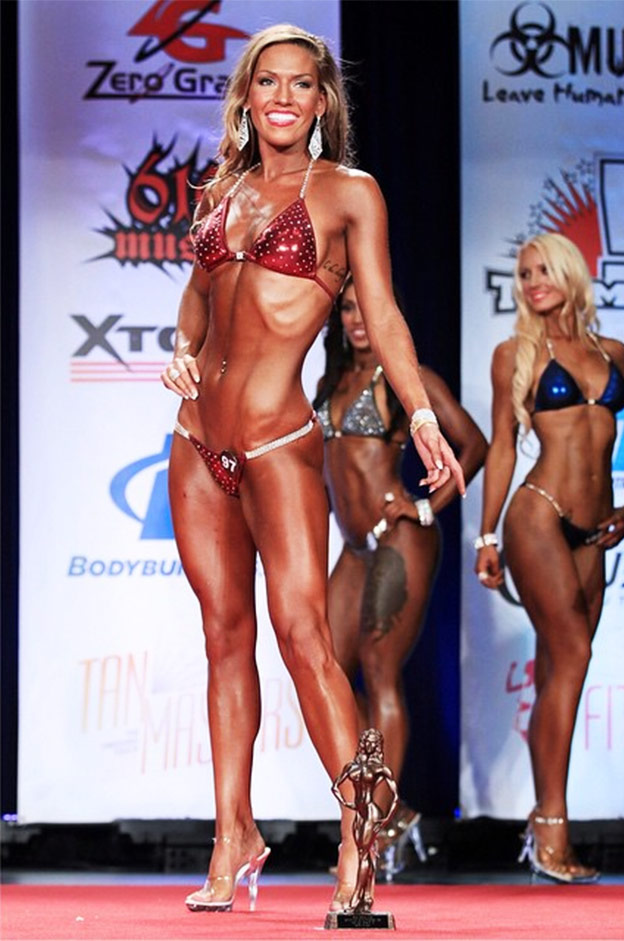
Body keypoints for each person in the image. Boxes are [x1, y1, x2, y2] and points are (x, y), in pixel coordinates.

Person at [161, 23, 465, 914]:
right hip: (195, 441)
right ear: (247, 97)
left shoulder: (347, 193)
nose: (284, 98)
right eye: (268, 83)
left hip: (275, 443)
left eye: (301, 84)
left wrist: (417, 410)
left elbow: (388, 316)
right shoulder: (221, 189)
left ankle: (358, 842)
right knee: (224, 638)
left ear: (323, 100)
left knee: (303, 638)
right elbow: (195, 304)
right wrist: (181, 352)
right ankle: (232, 839)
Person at [475, 232, 624, 883]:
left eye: (542, 269)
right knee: (573, 657)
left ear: (571, 274)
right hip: (537, 515)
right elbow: (499, 448)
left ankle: (544, 825)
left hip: (595, 531)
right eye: (523, 273)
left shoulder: (616, 356)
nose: (531, 281)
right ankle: (552, 828)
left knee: (559, 675)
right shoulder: (514, 354)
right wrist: (486, 535)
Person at [314, 277, 486, 877]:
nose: (358, 320)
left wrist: (423, 506)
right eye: (348, 310)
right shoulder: (330, 382)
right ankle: (394, 809)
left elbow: (473, 443)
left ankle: (373, 830)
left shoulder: (403, 377)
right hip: (354, 547)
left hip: (400, 538)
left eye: (367, 310)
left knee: (382, 674)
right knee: (325, 669)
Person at [331, 728, 399, 912]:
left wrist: (385, 818)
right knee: (365, 853)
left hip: (371, 811)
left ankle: (358, 895)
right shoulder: (353, 766)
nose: (369, 745)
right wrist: (346, 803)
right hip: (359, 810)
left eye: (373, 742)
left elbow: (395, 796)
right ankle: (366, 895)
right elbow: (335, 786)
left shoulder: (379, 768)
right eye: (367, 741)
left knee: (362, 853)